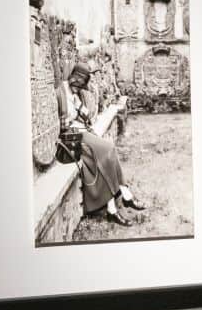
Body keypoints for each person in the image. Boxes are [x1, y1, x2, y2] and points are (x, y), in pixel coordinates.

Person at [55, 61, 145, 227]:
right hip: (72, 139)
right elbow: (60, 125)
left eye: (81, 87)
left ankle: (115, 206)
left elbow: (86, 116)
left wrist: (79, 107)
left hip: (83, 132)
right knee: (108, 149)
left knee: (106, 155)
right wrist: (69, 121)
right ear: (73, 79)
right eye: (77, 86)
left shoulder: (76, 94)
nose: (79, 89)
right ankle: (125, 195)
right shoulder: (60, 92)